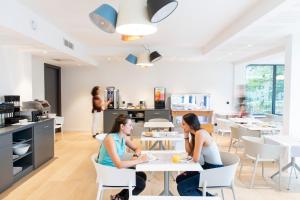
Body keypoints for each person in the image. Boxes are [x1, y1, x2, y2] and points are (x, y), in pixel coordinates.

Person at [97, 114, 148, 200]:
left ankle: (119, 197)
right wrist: (140, 160)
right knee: (141, 183)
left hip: (114, 169)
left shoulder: (123, 137)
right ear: (122, 126)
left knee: (142, 175)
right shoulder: (110, 139)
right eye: (130, 125)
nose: (132, 128)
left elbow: (137, 148)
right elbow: (119, 164)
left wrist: (135, 156)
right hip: (108, 173)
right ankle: (121, 198)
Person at [176, 113, 223, 196]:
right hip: (206, 167)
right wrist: (186, 136)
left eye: (183, 124)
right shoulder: (195, 134)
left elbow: (195, 159)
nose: (181, 126)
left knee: (182, 187)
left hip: (215, 171)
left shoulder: (200, 134)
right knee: (180, 179)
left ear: (190, 125)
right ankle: (209, 197)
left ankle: (209, 198)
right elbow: (189, 153)